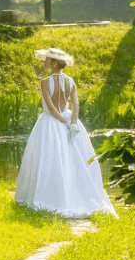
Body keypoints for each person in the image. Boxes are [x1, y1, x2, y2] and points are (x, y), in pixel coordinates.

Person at [15, 47, 116, 218]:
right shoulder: (71, 81)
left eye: (47, 60)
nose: (45, 62)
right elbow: (75, 105)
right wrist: (72, 123)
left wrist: (63, 122)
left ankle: (51, 196)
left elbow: (50, 107)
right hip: (70, 120)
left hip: (50, 123)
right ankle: (73, 194)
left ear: (54, 63)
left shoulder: (45, 82)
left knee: (49, 158)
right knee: (73, 159)